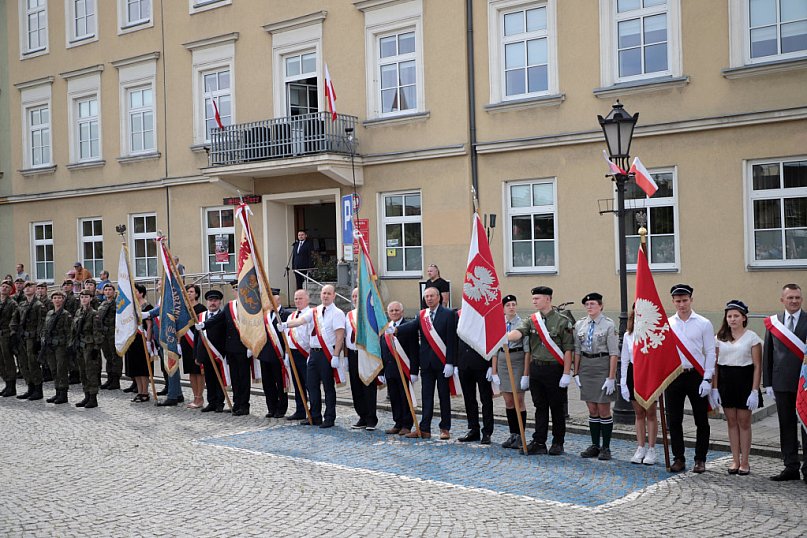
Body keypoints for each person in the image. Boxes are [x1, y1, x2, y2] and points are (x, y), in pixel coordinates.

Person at [506, 286, 574, 456]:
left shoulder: (562, 321)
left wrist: (566, 373)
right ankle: (539, 441)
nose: (534, 301)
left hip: (554, 369)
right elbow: (518, 333)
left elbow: (568, 349)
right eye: (533, 298)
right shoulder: (531, 319)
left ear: (548, 299)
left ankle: (558, 442)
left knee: (557, 408)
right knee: (540, 407)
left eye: (537, 298)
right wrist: (504, 336)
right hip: (537, 369)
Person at [395, 286, 457, 440]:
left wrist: (451, 362)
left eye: (432, 296)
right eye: (426, 296)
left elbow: (452, 340)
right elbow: (412, 326)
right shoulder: (422, 315)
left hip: (443, 363)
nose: (429, 298)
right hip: (427, 364)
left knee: (444, 396)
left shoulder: (449, 314)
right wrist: (396, 330)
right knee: (426, 396)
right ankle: (424, 428)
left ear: (439, 297)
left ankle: (445, 428)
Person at [665, 284, 716, 474]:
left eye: (685, 300)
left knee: (701, 420)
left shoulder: (703, 323)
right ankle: (678, 457)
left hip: (696, 375)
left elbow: (710, 352)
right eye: (678, 301)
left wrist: (708, 378)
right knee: (674, 420)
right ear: (673, 302)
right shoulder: (668, 324)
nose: (681, 304)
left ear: (691, 300)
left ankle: (700, 459)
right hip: (675, 375)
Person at [282, 284, 346, 428]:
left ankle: (329, 417)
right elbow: (300, 321)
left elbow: (340, 336)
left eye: (329, 293)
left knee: (328, 387)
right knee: (312, 386)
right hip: (314, 353)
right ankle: (315, 415)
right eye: (323, 293)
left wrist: (336, 355)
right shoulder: (315, 311)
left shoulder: (337, 313)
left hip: (327, 354)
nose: (325, 296)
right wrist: (286, 325)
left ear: (334, 295)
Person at [763, 284, 807, 482]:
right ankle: (790, 466)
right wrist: (768, 383)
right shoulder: (774, 323)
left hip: (804, 384)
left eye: (797, 297)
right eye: (790, 298)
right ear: (782, 300)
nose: (794, 301)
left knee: (806, 426)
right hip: (781, 383)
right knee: (786, 425)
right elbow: (768, 354)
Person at [712, 300, 761, 475]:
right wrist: (715, 388)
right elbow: (715, 365)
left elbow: (757, 366)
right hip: (726, 382)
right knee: (731, 422)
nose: (732, 319)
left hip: (744, 381)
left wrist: (755, 391)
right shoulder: (719, 338)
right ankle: (735, 459)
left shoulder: (752, 337)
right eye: (729, 316)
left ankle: (745, 461)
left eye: (736, 316)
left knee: (744, 422)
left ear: (744, 318)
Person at [573, 292, 619, 461]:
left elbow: (614, 353)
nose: (589, 307)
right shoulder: (580, 325)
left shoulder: (608, 324)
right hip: (586, 366)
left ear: (600, 306)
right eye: (587, 304)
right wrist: (576, 372)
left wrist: (611, 377)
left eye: (593, 304)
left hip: (602, 366)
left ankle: (606, 447)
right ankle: (595, 445)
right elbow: (577, 350)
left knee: (603, 409)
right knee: (592, 409)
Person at [197, 291, 252, 416]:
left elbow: (252, 327)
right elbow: (218, 318)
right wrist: (204, 324)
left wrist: (251, 346)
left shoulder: (249, 306)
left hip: (243, 349)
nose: (238, 292)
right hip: (231, 349)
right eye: (236, 290)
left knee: (243, 379)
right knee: (235, 379)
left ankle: (244, 406)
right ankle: (236, 404)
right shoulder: (230, 306)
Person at [620, 307, 658, 465]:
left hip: (650, 373)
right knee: (639, 413)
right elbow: (625, 359)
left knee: (650, 413)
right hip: (633, 373)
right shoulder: (629, 334)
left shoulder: (654, 332)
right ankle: (640, 447)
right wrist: (622, 381)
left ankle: (651, 449)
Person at [492, 294, 529, 449]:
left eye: (514, 304)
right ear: (503, 308)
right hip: (502, 361)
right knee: (508, 400)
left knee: (518, 400)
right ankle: (513, 434)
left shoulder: (522, 324)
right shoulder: (498, 323)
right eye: (508, 305)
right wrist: (494, 372)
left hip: (517, 359)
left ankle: (521, 434)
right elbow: (494, 349)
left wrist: (526, 374)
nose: (511, 307)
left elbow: (528, 351)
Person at [380, 301, 419, 436]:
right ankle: (397, 423)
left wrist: (414, 371)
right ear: (388, 313)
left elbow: (414, 350)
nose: (394, 313)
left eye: (397, 310)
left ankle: (407, 425)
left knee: (405, 398)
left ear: (402, 312)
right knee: (394, 397)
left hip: (404, 369)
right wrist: (381, 371)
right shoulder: (386, 328)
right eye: (392, 311)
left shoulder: (408, 327)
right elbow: (383, 351)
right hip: (390, 369)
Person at [346, 287, 379, 430]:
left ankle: (371, 418)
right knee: (356, 387)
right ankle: (362, 416)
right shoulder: (348, 315)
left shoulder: (370, 314)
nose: (355, 298)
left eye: (357, 296)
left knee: (368, 386)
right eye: (353, 296)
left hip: (366, 354)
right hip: (353, 354)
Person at [10, 281, 46, 401]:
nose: (27, 289)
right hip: (22, 338)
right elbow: (14, 320)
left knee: (33, 363)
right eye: (26, 287)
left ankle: (38, 389)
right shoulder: (21, 305)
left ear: (35, 289)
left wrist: (38, 340)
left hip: (32, 338)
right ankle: (30, 387)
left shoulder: (38, 305)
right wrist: (13, 333)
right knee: (23, 363)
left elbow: (41, 324)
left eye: (30, 287)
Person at [456, 330, 494, 445]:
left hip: (482, 364)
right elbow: (454, 340)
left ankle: (487, 432)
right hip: (463, 363)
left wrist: (491, 365)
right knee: (469, 399)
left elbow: (491, 340)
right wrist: (455, 363)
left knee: (486, 399)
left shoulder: (482, 315)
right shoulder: (458, 316)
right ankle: (474, 429)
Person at [259, 288, 291, 419]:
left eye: (274, 298)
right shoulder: (264, 315)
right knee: (267, 383)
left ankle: (281, 408)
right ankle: (271, 408)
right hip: (265, 354)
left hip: (279, 354)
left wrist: (287, 355)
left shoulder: (286, 315)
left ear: (279, 299)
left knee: (280, 383)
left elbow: (289, 336)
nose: (271, 302)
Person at [195, 289, 227, 413]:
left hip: (219, 353)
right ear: (207, 302)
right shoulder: (201, 316)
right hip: (205, 353)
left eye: (215, 300)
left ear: (219, 302)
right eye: (210, 300)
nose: (212, 303)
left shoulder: (223, 316)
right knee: (209, 379)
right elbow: (197, 337)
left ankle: (220, 403)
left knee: (220, 380)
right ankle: (211, 402)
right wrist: (197, 355)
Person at [41, 290, 74, 404]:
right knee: (53, 369)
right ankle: (57, 391)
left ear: (63, 299)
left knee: (61, 370)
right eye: (55, 298)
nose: (57, 300)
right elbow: (45, 328)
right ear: (52, 300)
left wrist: (69, 346)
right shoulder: (49, 313)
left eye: (59, 298)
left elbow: (70, 332)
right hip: (50, 345)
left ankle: (63, 394)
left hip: (61, 346)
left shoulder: (66, 314)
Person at [284, 288, 312, 421]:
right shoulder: (291, 316)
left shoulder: (311, 314)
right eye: (295, 298)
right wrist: (286, 354)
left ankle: (313, 412)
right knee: (297, 383)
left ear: (307, 299)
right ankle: (300, 410)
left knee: (309, 384)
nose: (297, 301)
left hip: (305, 353)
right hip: (292, 353)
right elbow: (288, 336)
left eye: (300, 298)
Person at [72, 289, 103, 409]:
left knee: (91, 372)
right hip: (80, 345)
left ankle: (93, 397)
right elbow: (73, 330)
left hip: (90, 346)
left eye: (86, 297)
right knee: (83, 371)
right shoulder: (78, 312)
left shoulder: (94, 313)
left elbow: (98, 332)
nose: (84, 299)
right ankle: (86, 395)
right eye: (82, 297)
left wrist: (96, 348)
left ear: (91, 298)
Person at [125, 284, 153, 403]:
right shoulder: (132, 307)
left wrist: (148, 341)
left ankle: (145, 392)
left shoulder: (147, 306)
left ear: (141, 293)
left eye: (135, 291)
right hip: (133, 339)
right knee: (135, 367)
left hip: (143, 339)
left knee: (143, 368)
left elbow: (149, 325)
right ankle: (139, 391)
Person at [182, 284, 207, 409]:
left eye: (191, 291)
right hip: (186, 343)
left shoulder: (201, 308)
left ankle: (200, 397)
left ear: (196, 294)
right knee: (190, 371)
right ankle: (195, 396)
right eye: (187, 291)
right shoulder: (184, 309)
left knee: (199, 371)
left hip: (196, 342)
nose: (189, 293)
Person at [97, 283, 121, 390]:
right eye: (105, 290)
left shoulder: (117, 303)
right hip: (104, 334)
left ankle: (116, 380)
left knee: (115, 357)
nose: (107, 292)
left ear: (114, 291)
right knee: (107, 356)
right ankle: (110, 378)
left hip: (114, 333)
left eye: (110, 290)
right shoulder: (103, 303)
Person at [0, 281, 19, 397]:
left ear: (10, 290)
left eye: (7, 287)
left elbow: (14, 320)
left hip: (6, 334)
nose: (4, 288)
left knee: (8, 361)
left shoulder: (12, 304)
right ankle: (6, 383)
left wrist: (12, 334)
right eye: (2, 286)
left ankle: (11, 386)